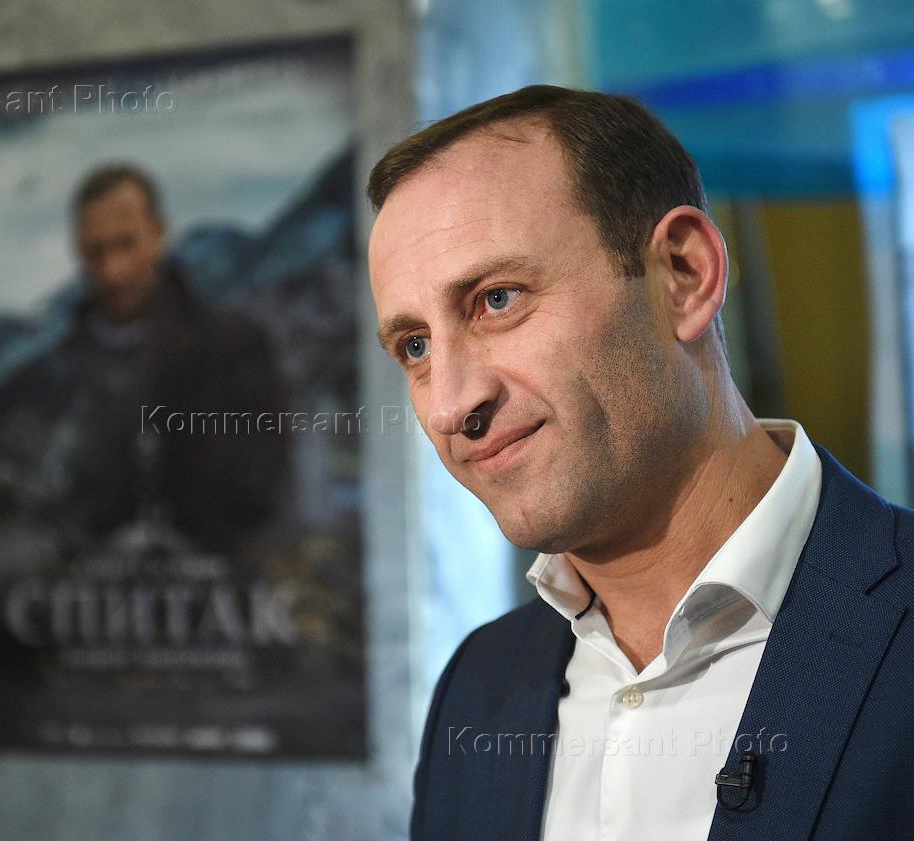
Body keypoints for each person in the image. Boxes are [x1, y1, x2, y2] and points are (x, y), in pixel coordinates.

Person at [367, 85, 914, 841]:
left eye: (496, 300)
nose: (451, 405)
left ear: (683, 276)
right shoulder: (479, 686)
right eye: (416, 346)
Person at [0, 164, 287, 558]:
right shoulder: (56, 368)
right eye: (97, 252)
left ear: (158, 234)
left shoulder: (234, 350)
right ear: (78, 250)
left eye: (126, 244)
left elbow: (261, 490)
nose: (114, 271)